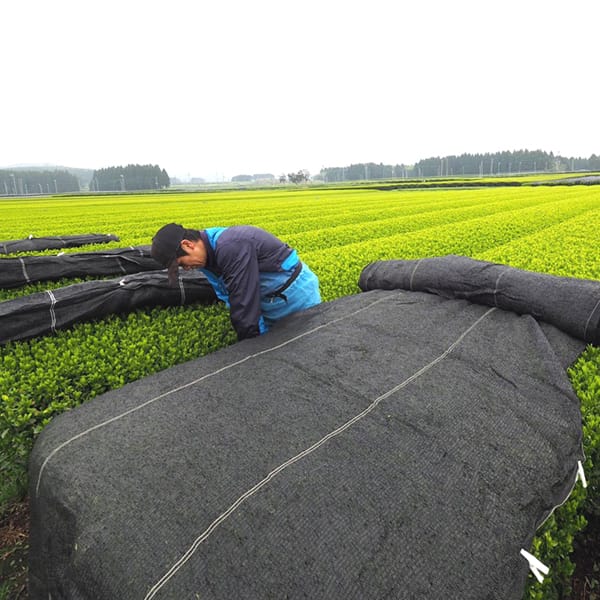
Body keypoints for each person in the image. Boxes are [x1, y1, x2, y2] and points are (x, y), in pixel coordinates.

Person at [151, 223, 321, 341]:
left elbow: (244, 303)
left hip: (294, 296)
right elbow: (226, 294)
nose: (187, 269)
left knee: (304, 342)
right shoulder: (206, 258)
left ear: (188, 245)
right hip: (269, 300)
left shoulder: (231, 246)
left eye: (182, 264)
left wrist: (253, 348)